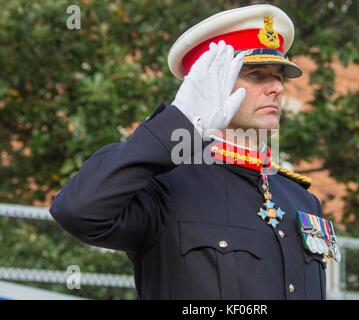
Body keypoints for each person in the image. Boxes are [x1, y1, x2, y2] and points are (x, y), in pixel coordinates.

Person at [50, 4, 340, 300]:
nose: (277, 87)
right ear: (210, 80)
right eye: (256, 74)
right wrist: (180, 120)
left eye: (279, 76)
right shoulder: (166, 184)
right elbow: (77, 211)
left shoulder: (300, 198)